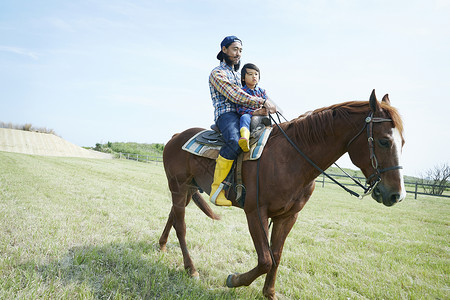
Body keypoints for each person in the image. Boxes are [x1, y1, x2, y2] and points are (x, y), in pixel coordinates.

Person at [208, 35, 276, 206]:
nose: (238, 53)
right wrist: (261, 101)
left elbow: (251, 91)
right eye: (235, 49)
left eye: (240, 50)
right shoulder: (217, 73)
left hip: (246, 112)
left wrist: (264, 107)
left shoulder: (240, 76)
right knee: (233, 141)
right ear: (224, 50)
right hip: (227, 114)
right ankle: (217, 190)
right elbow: (235, 95)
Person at [237, 63, 268, 152]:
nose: (254, 76)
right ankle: (244, 138)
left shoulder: (262, 91)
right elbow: (239, 109)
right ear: (243, 78)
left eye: (256, 74)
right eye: (250, 74)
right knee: (244, 117)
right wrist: (253, 113)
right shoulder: (241, 92)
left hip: (261, 116)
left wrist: (265, 110)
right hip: (249, 115)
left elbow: (266, 103)